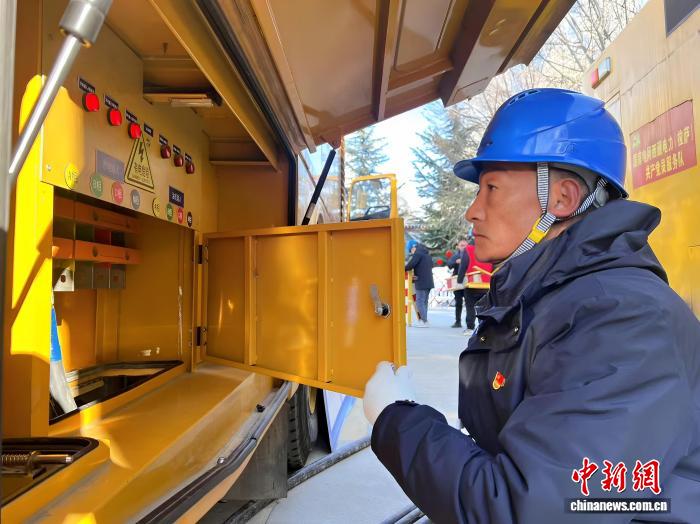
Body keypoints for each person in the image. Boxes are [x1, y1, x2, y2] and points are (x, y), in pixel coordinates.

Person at [364, 88, 700, 523]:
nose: (472, 211)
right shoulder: (548, 300)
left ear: (562, 199)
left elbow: (528, 510)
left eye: (491, 188)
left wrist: (398, 421)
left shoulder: (622, 319)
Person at [456, 235, 492, 335]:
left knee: (470, 306)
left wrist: (459, 280)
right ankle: (484, 328)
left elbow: (463, 265)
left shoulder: (468, 249)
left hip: (472, 283)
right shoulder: (490, 248)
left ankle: (470, 327)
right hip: (486, 283)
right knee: (485, 307)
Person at [405, 240, 434, 327]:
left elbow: (410, 265)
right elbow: (427, 266)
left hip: (421, 281)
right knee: (424, 302)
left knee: (419, 302)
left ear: (413, 248)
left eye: (410, 251)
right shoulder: (427, 254)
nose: (411, 253)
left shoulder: (417, 254)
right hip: (429, 281)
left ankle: (425, 321)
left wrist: (402, 268)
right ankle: (424, 320)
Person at [447, 238, 469, 328]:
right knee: (458, 302)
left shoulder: (471, 255)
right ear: (458, 247)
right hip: (457, 281)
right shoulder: (456, 255)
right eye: (462, 245)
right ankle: (458, 321)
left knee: (469, 303)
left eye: (465, 245)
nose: (464, 247)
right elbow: (449, 264)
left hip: (468, 281)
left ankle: (469, 324)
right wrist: (455, 262)